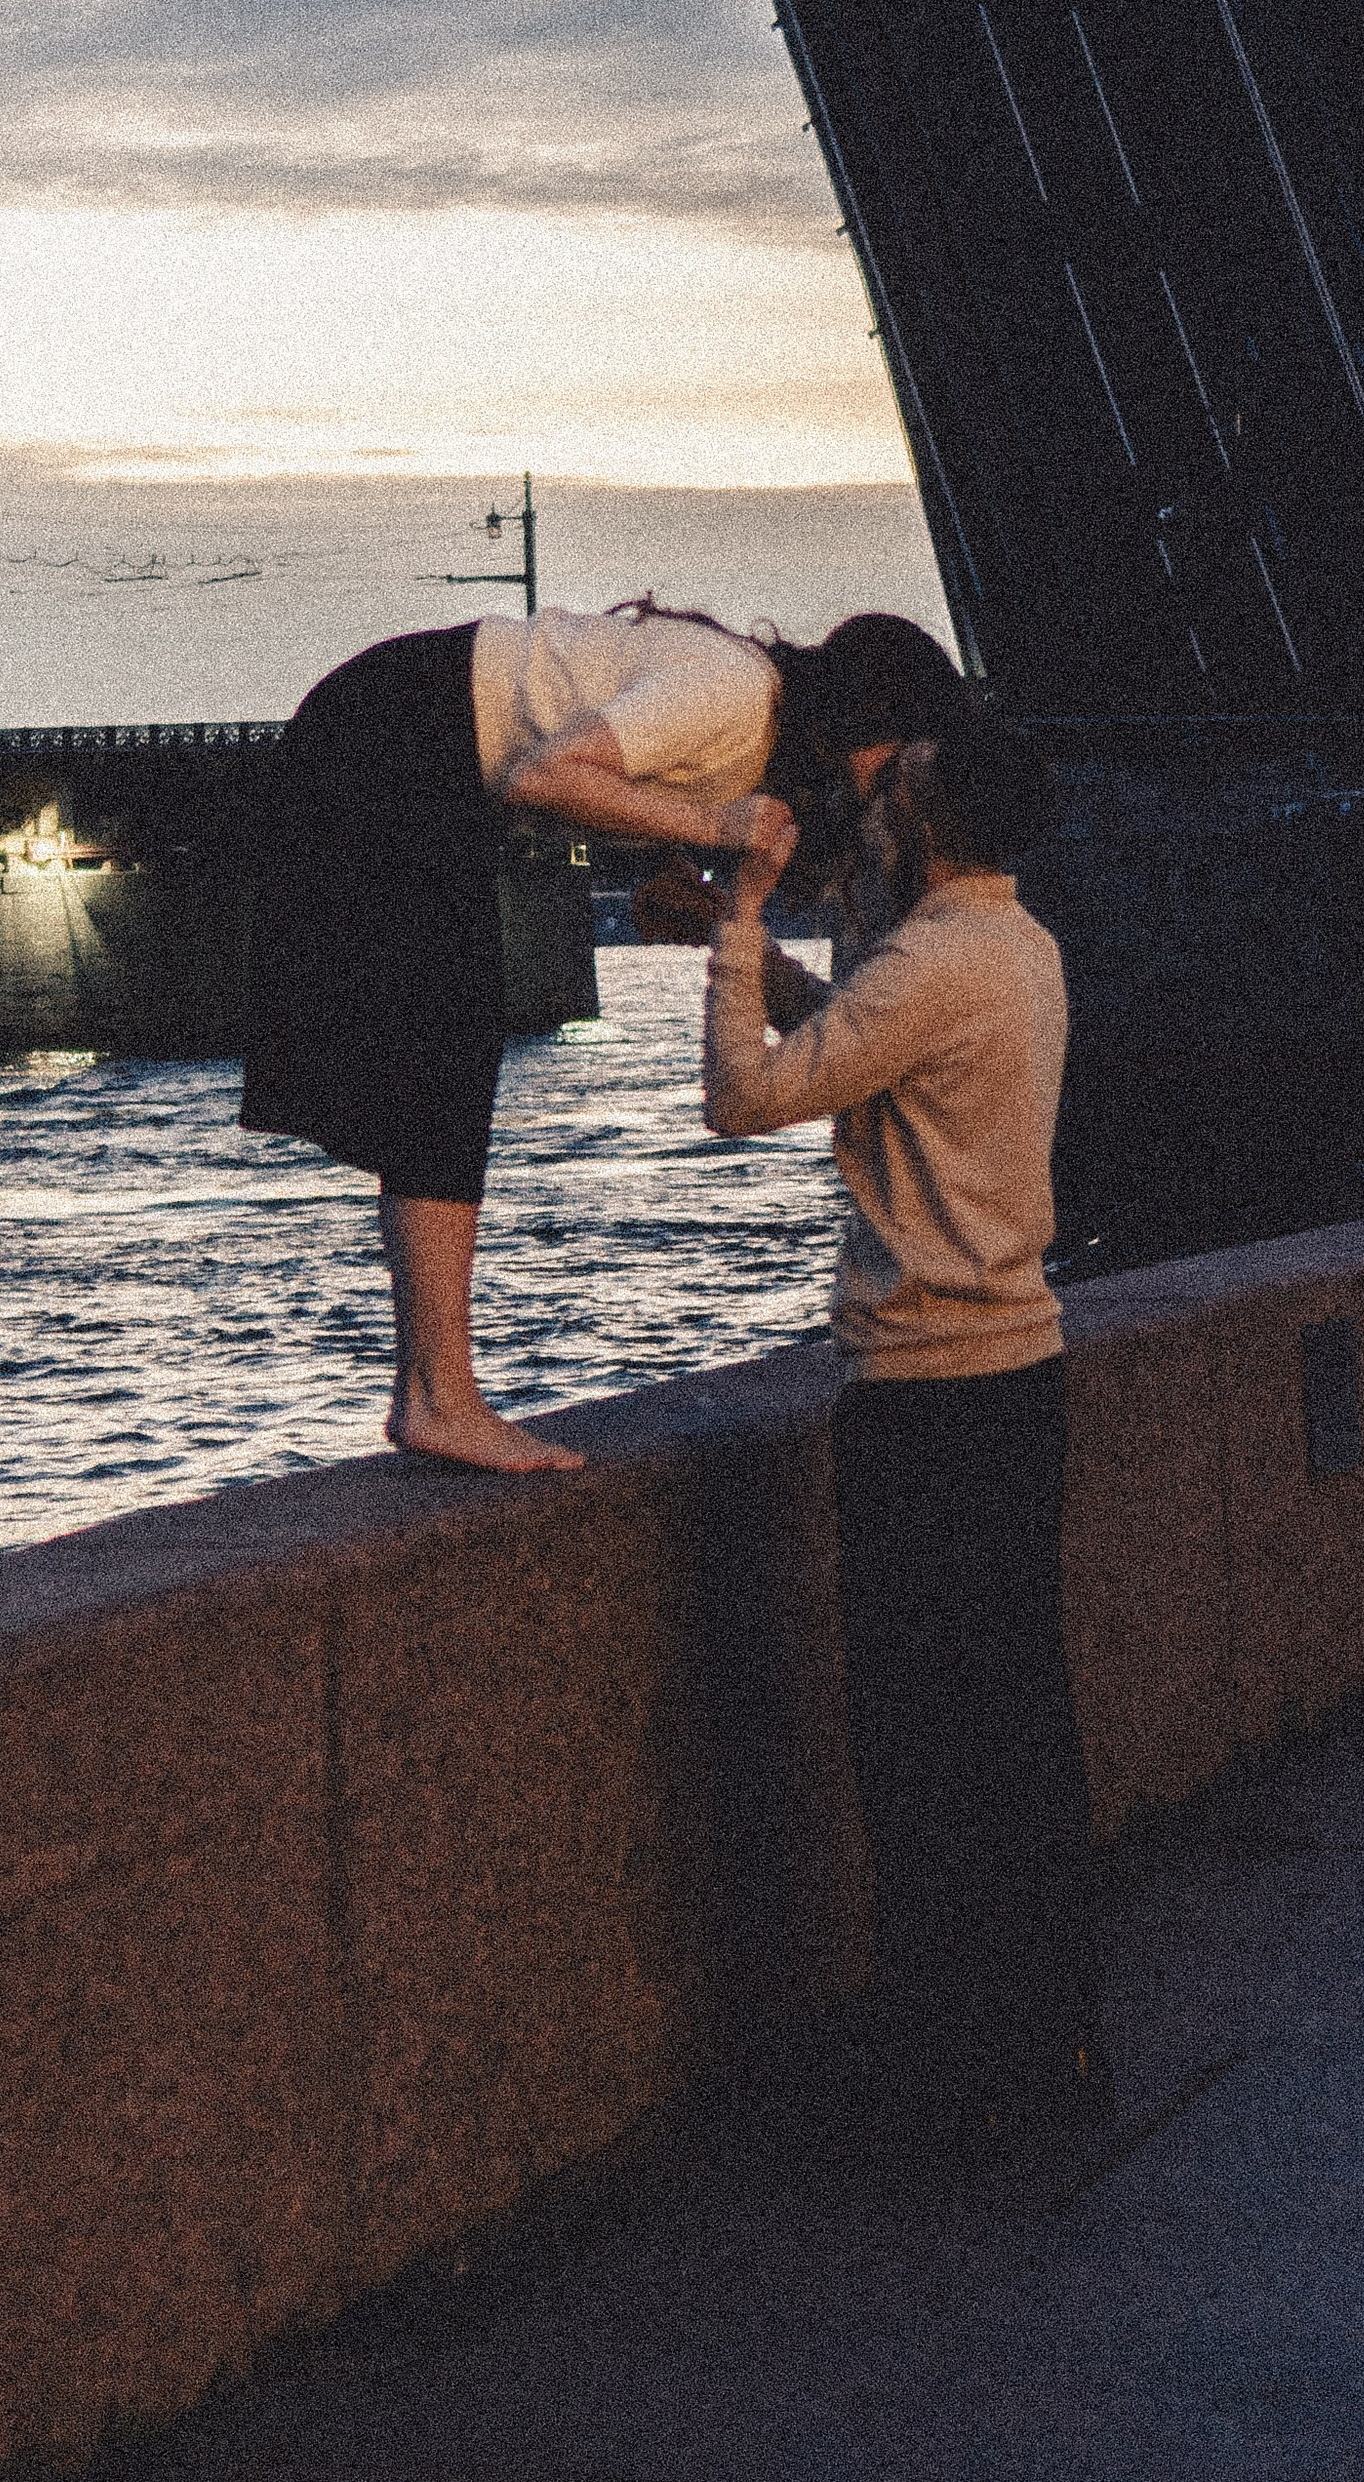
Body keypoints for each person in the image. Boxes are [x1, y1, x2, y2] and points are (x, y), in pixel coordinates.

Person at [241, 599, 964, 1474]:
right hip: (391, 732)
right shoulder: (735, 692)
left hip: (409, 739)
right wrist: (713, 829)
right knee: (445, 1055)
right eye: (904, 751)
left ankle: (432, 1393)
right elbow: (540, 775)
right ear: (870, 715)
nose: (899, 782)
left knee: (444, 1056)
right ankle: (437, 1399)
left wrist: (667, 869)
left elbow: (604, 775)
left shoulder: (757, 727)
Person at [701, 713, 1105, 2158]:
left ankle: (950, 2073)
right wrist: (774, 968)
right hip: (1021, 1377)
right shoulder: (1018, 946)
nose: (877, 805)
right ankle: (1051, 2041)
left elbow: (747, 1097)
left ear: (929, 825)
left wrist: (738, 922)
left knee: (920, 1747)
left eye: (901, 789)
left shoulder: (931, 962)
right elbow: (871, 1045)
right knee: (1017, 1728)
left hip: (927, 1395)